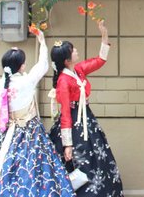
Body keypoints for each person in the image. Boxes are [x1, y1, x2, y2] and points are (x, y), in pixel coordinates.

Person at [0, 31, 75, 197]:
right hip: (32, 135)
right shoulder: (27, 81)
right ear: (22, 66)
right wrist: (42, 42)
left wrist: (5, 116)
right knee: (39, 169)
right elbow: (42, 65)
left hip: (6, 135)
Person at [49, 20, 123, 196]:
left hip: (86, 118)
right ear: (67, 60)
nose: (76, 51)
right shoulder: (63, 81)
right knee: (81, 160)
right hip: (73, 122)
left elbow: (100, 60)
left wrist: (104, 34)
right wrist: (68, 144)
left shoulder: (79, 70)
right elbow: (65, 112)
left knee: (97, 154)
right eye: (73, 50)